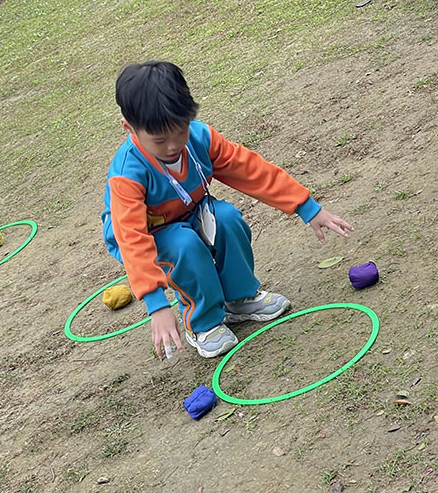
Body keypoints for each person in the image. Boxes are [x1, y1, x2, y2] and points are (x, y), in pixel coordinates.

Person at [101, 61, 354, 359]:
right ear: (129, 128)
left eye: (180, 131)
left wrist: (307, 206)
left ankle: (240, 298)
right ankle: (202, 323)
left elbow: (250, 170)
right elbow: (131, 238)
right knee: (185, 244)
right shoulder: (128, 174)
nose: (172, 146)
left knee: (228, 218)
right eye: (159, 140)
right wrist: (156, 305)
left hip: (192, 210)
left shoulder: (200, 138)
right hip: (148, 233)